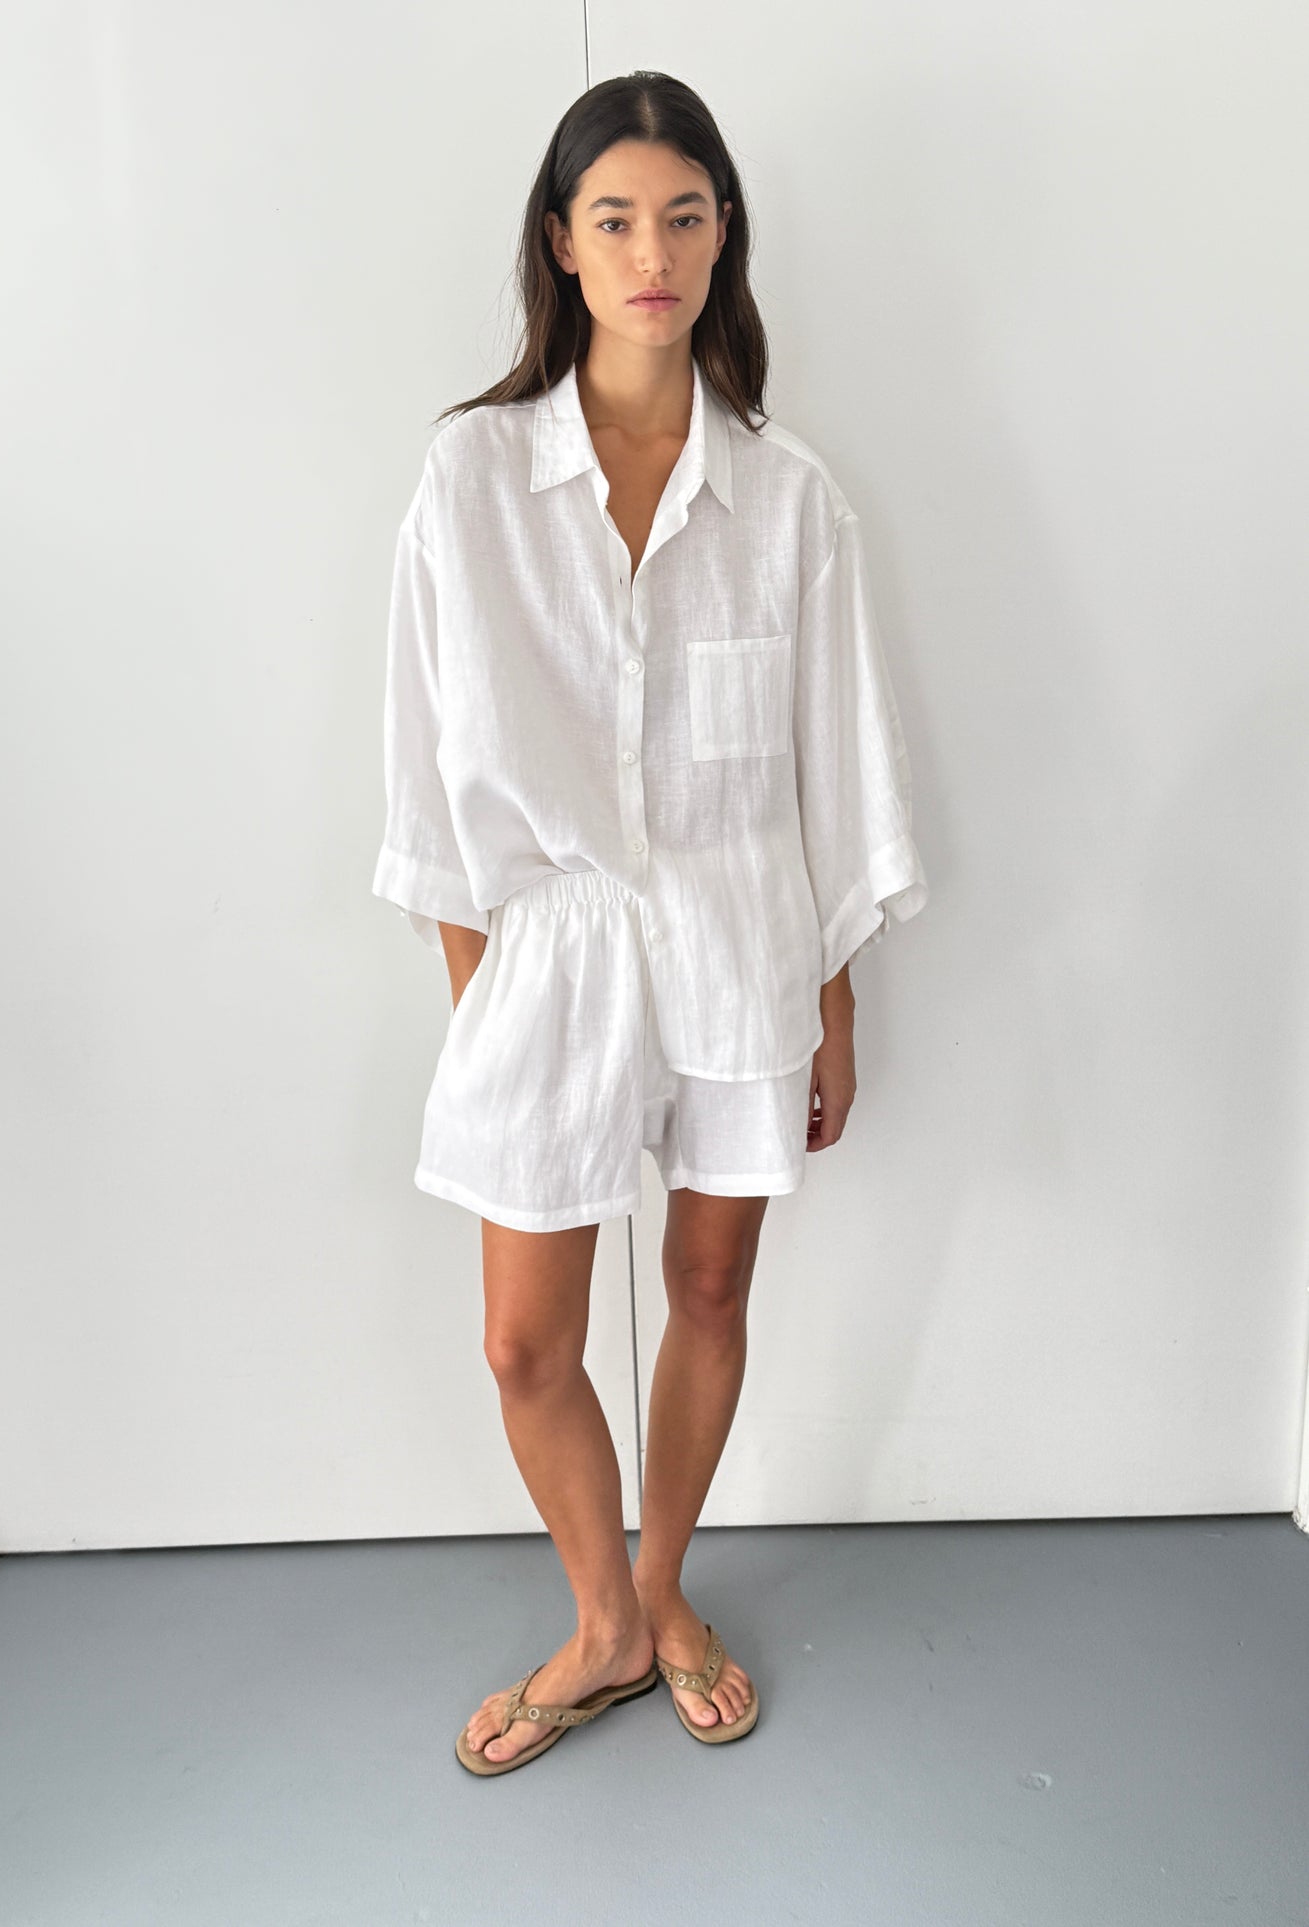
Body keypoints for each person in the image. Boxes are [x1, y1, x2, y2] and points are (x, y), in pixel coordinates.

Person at [371, 71, 929, 1776]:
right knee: (523, 1340)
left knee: (705, 1279)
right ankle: (597, 1612)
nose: (651, 249)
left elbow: (834, 762)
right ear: (559, 241)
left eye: (685, 214)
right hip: (546, 956)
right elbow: (425, 776)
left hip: (743, 939)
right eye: (612, 215)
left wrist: (830, 1003)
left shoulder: (784, 495)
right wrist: (483, 1001)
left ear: (723, 237)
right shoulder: (471, 479)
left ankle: (660, 1592)